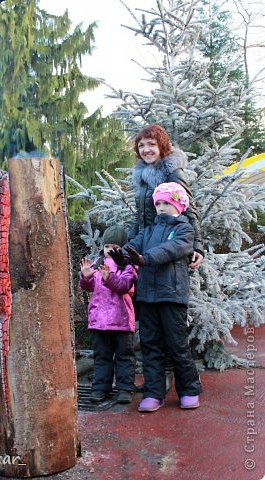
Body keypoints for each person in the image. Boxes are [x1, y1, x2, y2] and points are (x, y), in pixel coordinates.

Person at [109, 182, 202, 411]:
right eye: (158, 203)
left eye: (166, 203)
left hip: (171, 297)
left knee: (177, 345)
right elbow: (134, 245)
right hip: (148, 298)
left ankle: (189, 390)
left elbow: (174, 249)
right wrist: (121, 256)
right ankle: (153, 392)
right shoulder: (148, 231)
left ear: (178, 205)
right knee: (150, 345)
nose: (161, 207)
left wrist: (145, 259)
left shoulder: (184, 229)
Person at [129, 124, 204, 269]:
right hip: (145, 243)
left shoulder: (172, 173)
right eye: (141, 145)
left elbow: (189, 208)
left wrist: (197, 245)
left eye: (151, 144)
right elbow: (140, 214)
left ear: (161, 146)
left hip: (166, 245)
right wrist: (131, 241)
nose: (146, 150)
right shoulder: (143, 176)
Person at [79, 225, 137, 404]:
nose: (110, 251)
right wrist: (86, 277)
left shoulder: (127, 266)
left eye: (115, 248)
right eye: (107, 247)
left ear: (123, 248)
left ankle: (125, 388)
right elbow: (89, 288)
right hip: (99, 322)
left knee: (124, 356)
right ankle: (100, 387)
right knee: (101, 356)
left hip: (121, 321)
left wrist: (109, 278)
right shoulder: (97, 263)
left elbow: (124, 286)